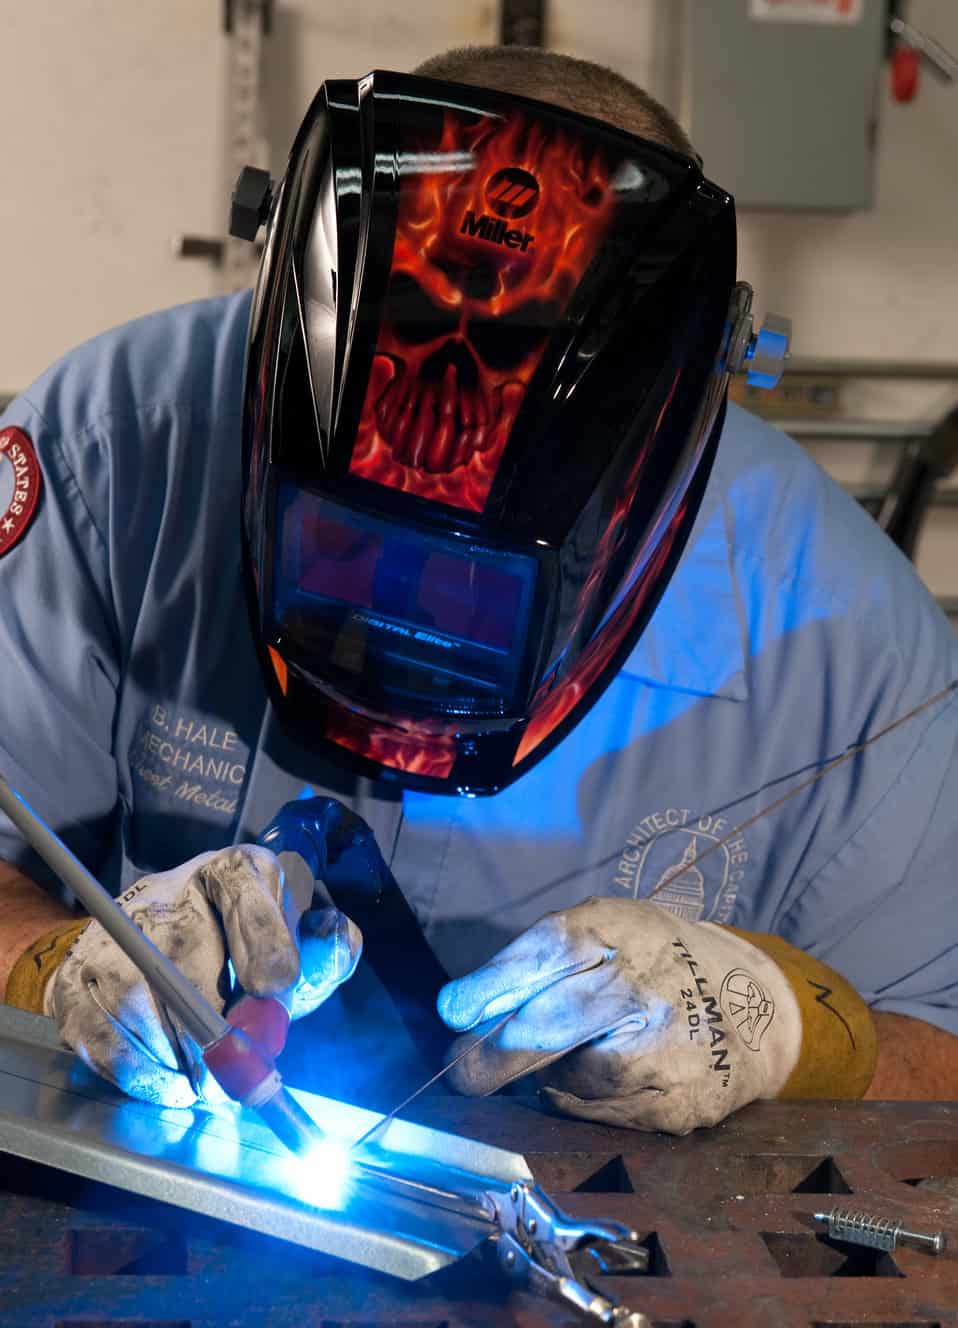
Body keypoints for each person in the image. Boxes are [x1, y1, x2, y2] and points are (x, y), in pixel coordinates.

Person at [1, 46, 956, 1135]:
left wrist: (795, 1030)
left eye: (474, 583)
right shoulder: (113, 443)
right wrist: (57, 968)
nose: (403, 617)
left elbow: (944, 1046)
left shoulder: (849, 637)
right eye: (349, 543)